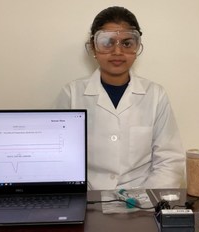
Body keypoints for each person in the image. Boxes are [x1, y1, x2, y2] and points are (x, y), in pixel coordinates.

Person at [56, 6, 184, 190]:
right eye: (107, 42)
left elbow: (170, 161)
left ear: (137, 46)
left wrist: (144, 201)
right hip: (89, 199)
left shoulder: (155, 95)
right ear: (93, 46)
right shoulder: (72, 94)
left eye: (126, 43)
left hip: (142, 200)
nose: (117, 52)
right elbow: (61, 158)